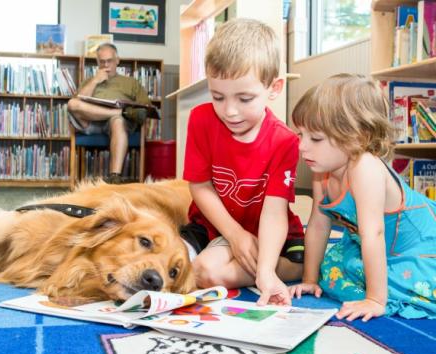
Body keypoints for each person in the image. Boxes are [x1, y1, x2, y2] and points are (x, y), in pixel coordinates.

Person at [289, 73, 436, 321]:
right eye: (299, 135)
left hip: (419, 247)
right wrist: (309, 280)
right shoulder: (321, 174)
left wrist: (375, 299)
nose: (302, 146)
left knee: (408, 288)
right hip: (370, 244)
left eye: (315, 138)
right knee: (332, 272)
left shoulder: (364, 167)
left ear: (357, 137)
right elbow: (317, 226)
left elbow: (374, 233)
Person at [182, 18, 305, 307]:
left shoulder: (284, 141)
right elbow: (200, 185)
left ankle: (289, 268)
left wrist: (264, 271)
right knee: (181, 265)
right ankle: (272, 265)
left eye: (245, 98)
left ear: (274, 88)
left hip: (270, 233)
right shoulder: (201, 120)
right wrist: (236, 236)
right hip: (215, 226)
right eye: (217, 96)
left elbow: (275, 213)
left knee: (207, 272)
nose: (230, 111)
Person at [67, 43, 152, 184]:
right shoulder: (89, 81)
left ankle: (114, 176)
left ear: (117, 60)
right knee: (72, 104)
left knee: (118, 121)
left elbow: (146, 107)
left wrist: (128, 106)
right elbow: (78, 102)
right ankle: (117, 112)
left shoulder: (130, 82)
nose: (106, 65)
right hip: (91, 121)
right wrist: (95, 81)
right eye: (102, 62)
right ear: (97, 62)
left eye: (110, 60)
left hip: (118, 124)